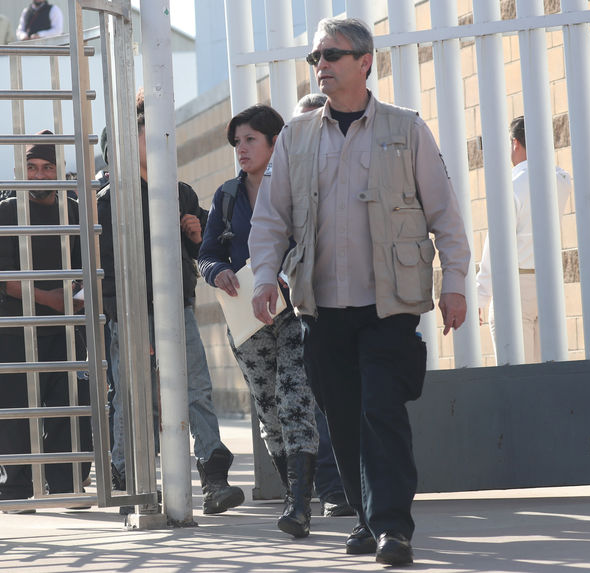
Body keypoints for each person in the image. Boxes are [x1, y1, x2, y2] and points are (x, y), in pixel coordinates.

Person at [248, 17, 470, 566]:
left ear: (364, 61)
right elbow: (272, 217)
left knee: (382, 411)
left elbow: (445, 213)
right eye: (315, 57)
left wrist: (456, 284)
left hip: (389, 306)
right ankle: (368, 520)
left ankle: (394, 528)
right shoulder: (297, 136)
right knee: (343, 418)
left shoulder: (406, 128)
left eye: (331, 55)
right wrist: (262, 277)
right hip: (322, 307)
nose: (320, 64)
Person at [97, 98, 244, 516]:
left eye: (166, 136)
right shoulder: (109, 198)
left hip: (177, 307)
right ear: (127, 144)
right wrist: (131, 321)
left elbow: (209, 248)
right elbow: (105, 263)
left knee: (196, 389)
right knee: (133, 395)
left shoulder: (180, 192)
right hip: (130, 314)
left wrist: (198, 237)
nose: (163, 142)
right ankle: (129, 479)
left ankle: (213, 476)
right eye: (151, 136)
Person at [197, 104, 319, 537]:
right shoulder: (226, 197)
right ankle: (294, 493)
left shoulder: (296, 186)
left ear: (274, 141)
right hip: (247, 321)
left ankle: (300, 505)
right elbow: (207, 253)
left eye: (250, 140)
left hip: (294, 311)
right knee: (269, 410)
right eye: (236, 142)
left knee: (294, 400)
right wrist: (217, 271)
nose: (241, 149)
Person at [0, 131, 92, 512]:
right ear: (20, 172)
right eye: (32, 168)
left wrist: (73, 300)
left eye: (47, 168)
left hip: (65, 330)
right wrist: (52, 299)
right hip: (13, 328)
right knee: (14, 412)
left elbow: (92, 267)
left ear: (60, 171)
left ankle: (66, 486)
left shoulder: (75, 211)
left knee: (68, 407)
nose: (39, 176)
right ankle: (16, 493)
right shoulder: (6, 212)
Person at [292, 91, 355, 519]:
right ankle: (333, 490)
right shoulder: (284, 174)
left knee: (355, 403)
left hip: (352, 307)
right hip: (297, 310)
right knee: (318, 406)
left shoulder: (350, 175)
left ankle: (360, 489)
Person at [475, 116, 572, 364]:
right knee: (546, 377)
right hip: (547, 285)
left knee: (515, 377)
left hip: (515, 288)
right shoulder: (561, 180)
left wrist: (480, 296)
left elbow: (495, 245)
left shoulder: (512, 184)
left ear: (515, 143)